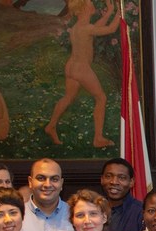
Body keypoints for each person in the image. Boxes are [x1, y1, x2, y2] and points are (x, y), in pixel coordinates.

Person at [44, 0, 118, 147]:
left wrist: (110, 12)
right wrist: (119, 15)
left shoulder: (78, 27)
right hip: (81, 69)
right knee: (101, 98)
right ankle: (98, 138)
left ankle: (51, 125)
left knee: (69, 97)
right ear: (85, 9)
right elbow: (110, 29)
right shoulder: (86, 28)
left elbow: (97, 27)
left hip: (71, 67)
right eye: (91, 3)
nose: (93, 5)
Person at [21, 158, 75, 231]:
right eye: (41, 178)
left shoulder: (75, 214)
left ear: (61, 183)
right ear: (30, 182)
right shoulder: (16, 216)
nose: (47, 184)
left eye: (54, 179)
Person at [100, 157, 144, 231]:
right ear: (101, 179)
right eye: (108, 176)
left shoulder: (141, 212)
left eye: (122, 178)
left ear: (131, 182)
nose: (114, 182)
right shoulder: (93, 209)